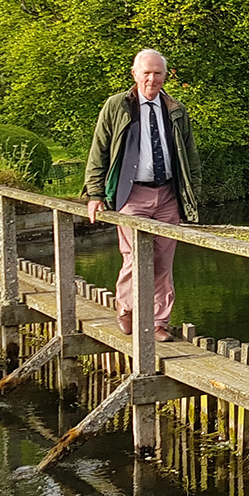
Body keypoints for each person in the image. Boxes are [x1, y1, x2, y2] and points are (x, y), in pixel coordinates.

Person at [84, 49, 201, 341]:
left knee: (163, 260)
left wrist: (192, 194)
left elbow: (190, 154)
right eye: (146, 73)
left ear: (165, 76)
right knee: (134, 257)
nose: (152, 79)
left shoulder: (175, 109)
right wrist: (95, 193)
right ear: (134, 74)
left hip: (167, 194)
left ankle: (159, 322)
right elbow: (99, 150)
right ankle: (127, 309)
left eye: (157, 73)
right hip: (132, 193)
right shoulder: (117, 106)